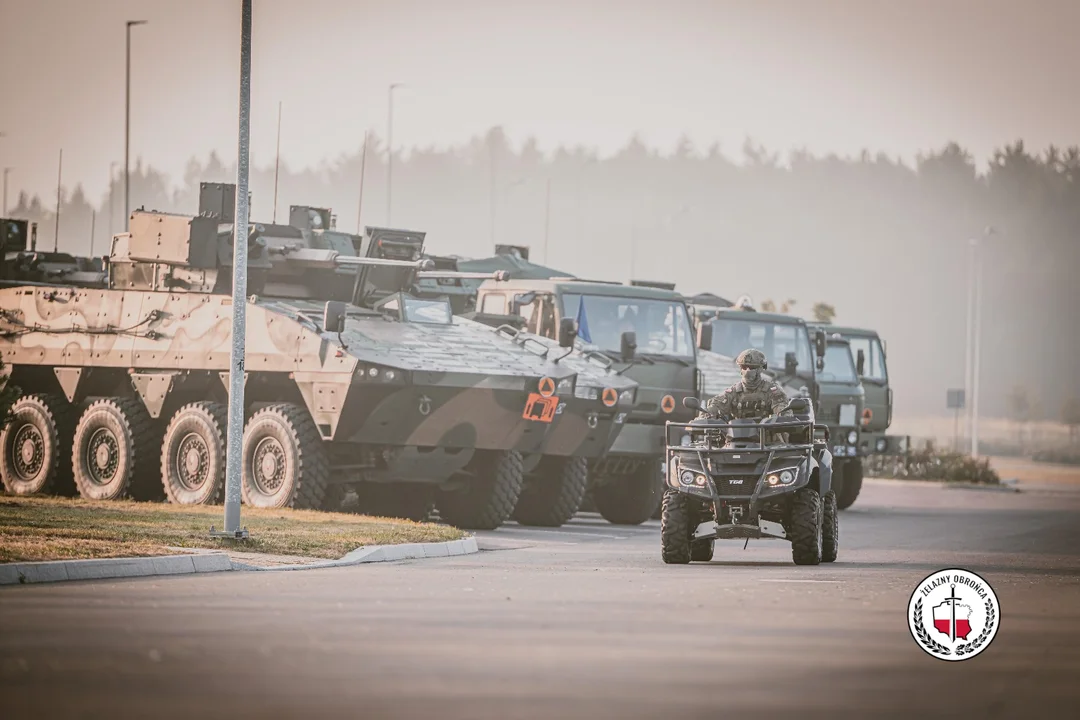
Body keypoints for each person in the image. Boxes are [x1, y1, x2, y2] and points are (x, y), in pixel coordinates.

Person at [698, 348, 790, 421]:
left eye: (752, 367)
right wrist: (705, 416)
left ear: (760, 369)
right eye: (744, 367)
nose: (747, 371)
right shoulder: (732, 392)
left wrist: (782, 416)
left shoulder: (773, 391)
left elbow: (783, 413)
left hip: (767, 438)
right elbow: (715, 407)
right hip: (737, 437)